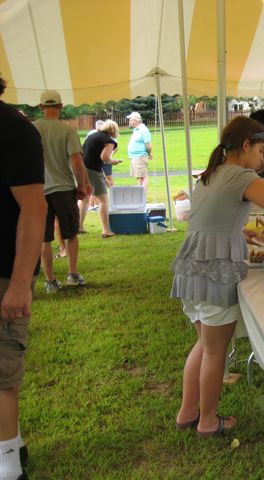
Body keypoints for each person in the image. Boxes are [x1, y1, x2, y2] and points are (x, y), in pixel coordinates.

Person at [171, 116, 264, 437]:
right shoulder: (240, 175)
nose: (262, 157)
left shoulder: (212, 174)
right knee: (214, 351)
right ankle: (207, 421)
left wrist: (244, 235)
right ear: (245, 145)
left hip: (192, 266)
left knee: (204, 345)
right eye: (260, 150)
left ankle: (188, 412)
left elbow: (215, 222)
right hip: (215, 269)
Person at [0, 74, 48, 480]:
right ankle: (12, 446)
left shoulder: (13, 129)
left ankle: (8, 467)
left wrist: (19, 284)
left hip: (3, 274)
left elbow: (34, 209)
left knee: (1, 374)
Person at [33, 90, 92, 293]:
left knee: (44, 238)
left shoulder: (32, 129)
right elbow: (76, 160)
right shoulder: (67, 129)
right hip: (64, 189)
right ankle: (72, 275)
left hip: (39, 190)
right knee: (71, 233)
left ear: (41, 107)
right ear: (60, 106)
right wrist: (82, 185)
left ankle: (50, 281)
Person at [79, 120, 122, 238]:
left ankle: (79, 226)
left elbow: (91, 157)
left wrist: (103, 177)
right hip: (92, 169)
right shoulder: (109, 141)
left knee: (84, 197)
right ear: (113, 131)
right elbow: (104, 157)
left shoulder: (92, 136)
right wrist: (113, 161)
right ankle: (106, 230)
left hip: (81, 168)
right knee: (103, 200)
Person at [126, 112, 152, 189]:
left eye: (131, 120)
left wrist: (150, 153)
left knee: (142, 176)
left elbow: (148, 145)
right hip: (134, 156)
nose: (130, 122)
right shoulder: (136, 130)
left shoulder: (143, 130)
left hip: (140, 156)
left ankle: (143, 195)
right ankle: (140, 194)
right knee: (139, 177)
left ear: (136, 120)